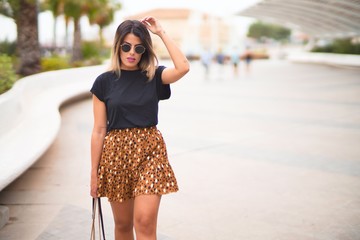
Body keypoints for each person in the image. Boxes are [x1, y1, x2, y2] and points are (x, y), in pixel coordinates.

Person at [90, 16, 190, 240]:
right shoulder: (103, 82)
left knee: (144, 222)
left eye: (138, 48)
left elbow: (183, 67)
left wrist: (161, 32)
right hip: (115, 156)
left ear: (145, 50)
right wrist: (94, 174)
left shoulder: (154, 76)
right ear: (118, 47)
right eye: (126, 46)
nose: (131, 52)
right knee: (123, 225)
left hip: (150, 153)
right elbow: (98, 130)